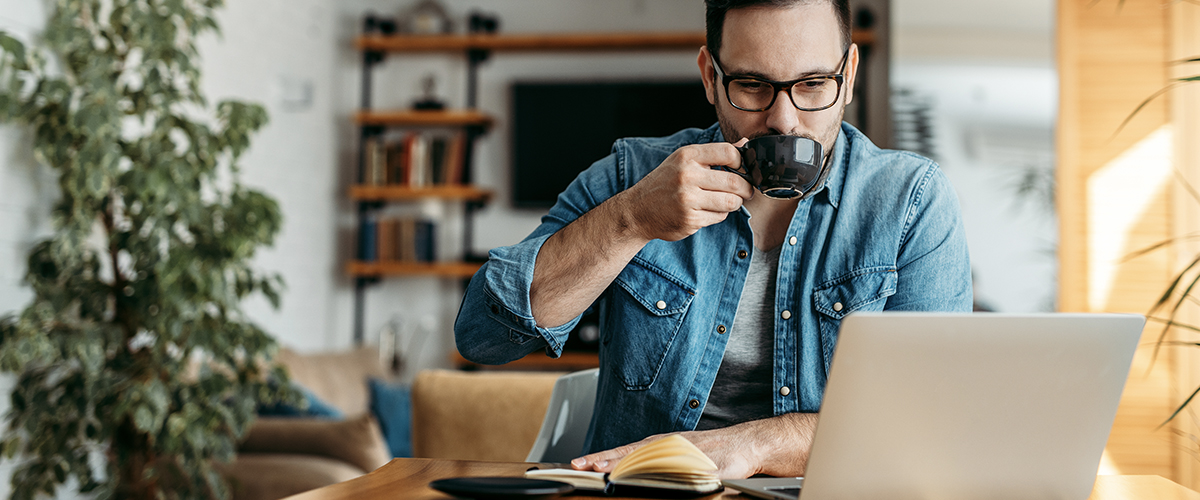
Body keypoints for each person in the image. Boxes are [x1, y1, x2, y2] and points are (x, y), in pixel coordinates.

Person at [454, 0, 971, 479]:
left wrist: (755, 444)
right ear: (710, 76)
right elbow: (484, 336)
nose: (783, 120)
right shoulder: (631, 176)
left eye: (814, 84)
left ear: (850, 74)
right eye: (752, 85)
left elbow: (931, 417)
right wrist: (631, 219)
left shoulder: (910, 202)